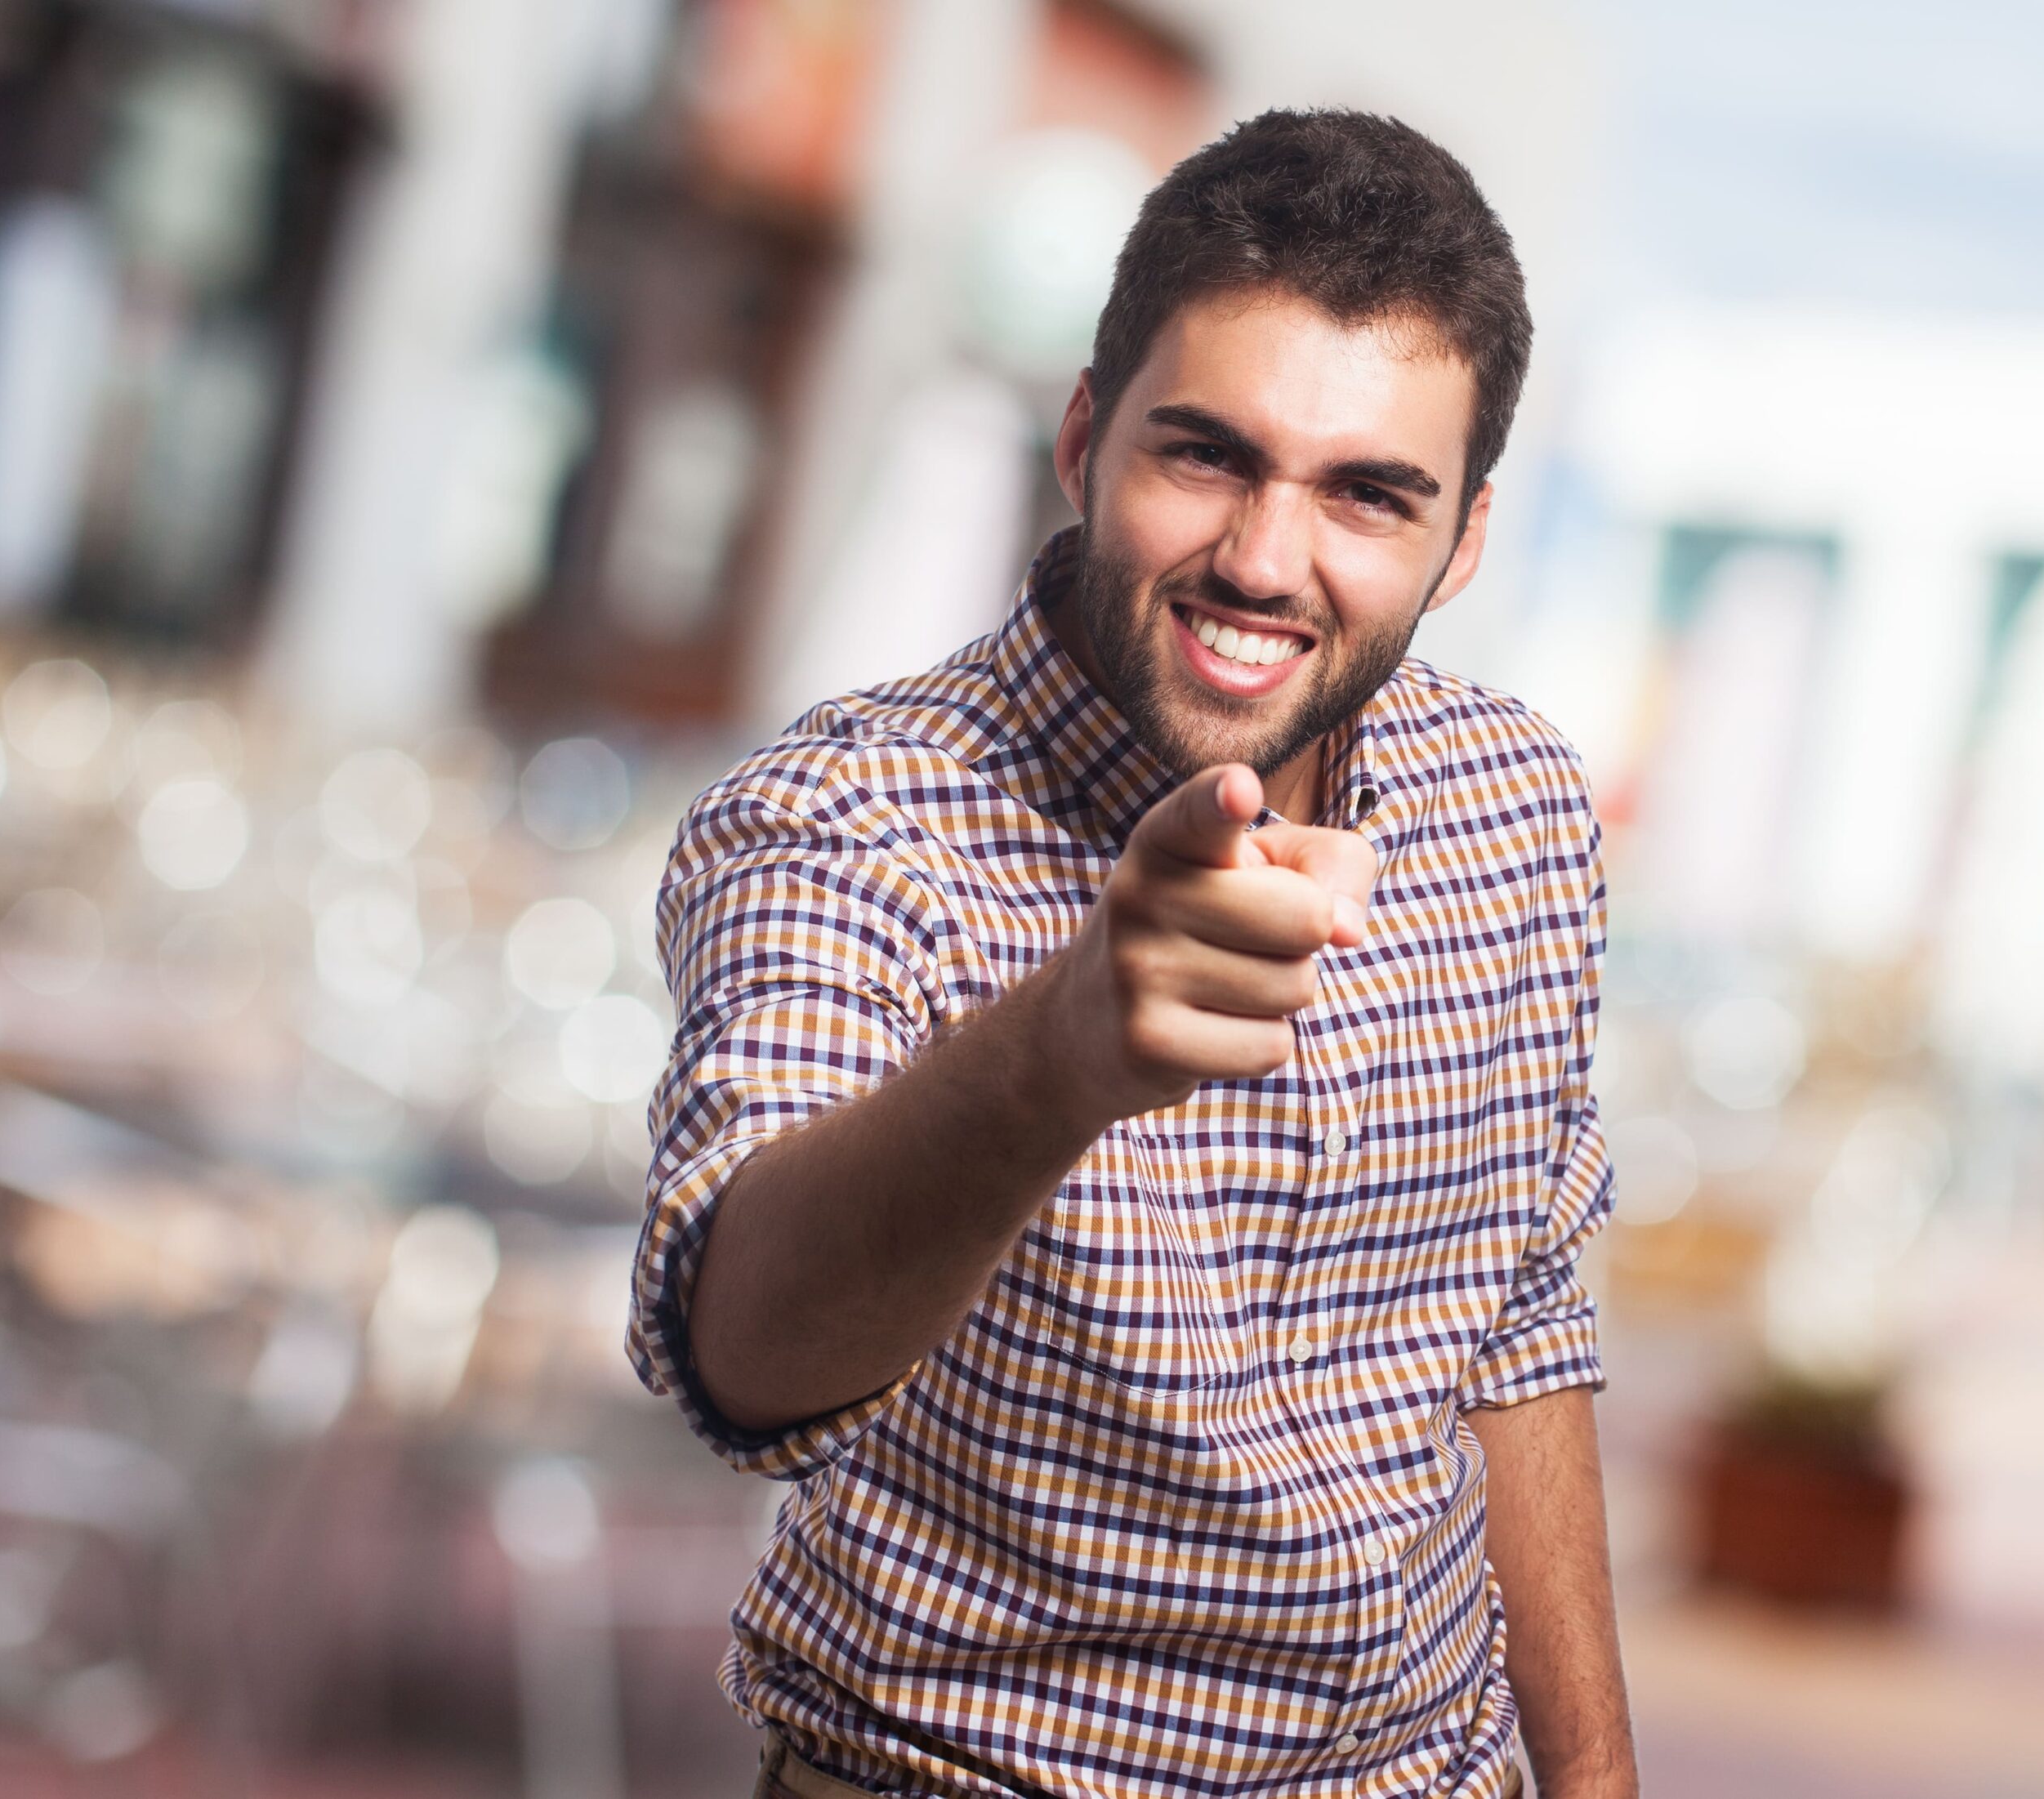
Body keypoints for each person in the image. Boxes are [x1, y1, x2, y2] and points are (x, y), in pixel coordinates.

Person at [629, 108, 1635, 1799]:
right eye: (1205, 454)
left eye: (1367, 495)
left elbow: (1517, 1325)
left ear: (1461, 540)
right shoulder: (846, 820)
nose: (1261, 558)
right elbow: (738, 1360)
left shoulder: (1518, 803)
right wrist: (1061, 1049)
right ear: (1083, 436)